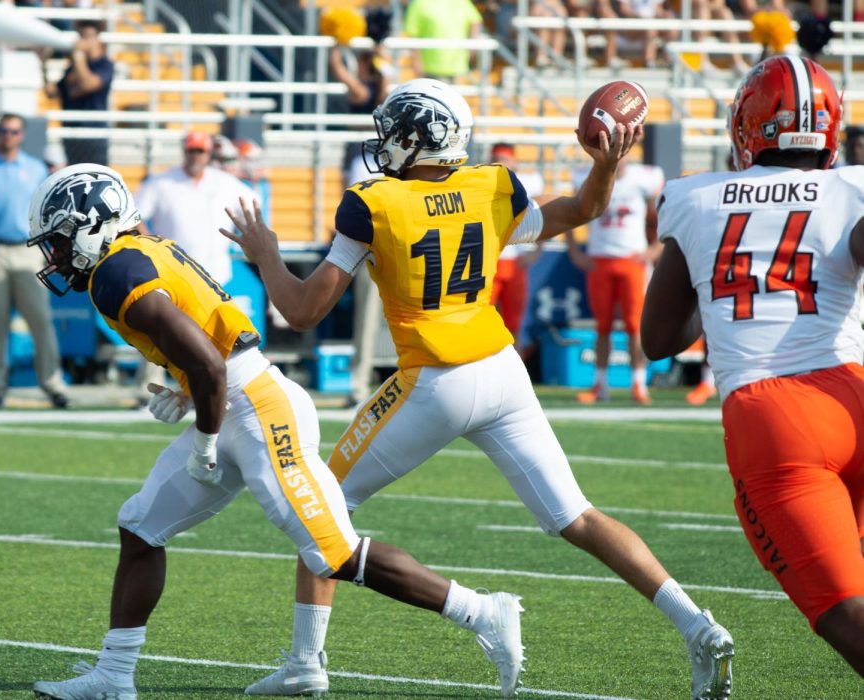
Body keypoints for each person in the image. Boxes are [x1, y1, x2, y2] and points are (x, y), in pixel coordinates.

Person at [222, 78, 734, 700]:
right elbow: (582, 210)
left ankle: (309, 661)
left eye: (394, 132)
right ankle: (697, 624)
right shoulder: (492, 185)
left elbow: (302, 311)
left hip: (433, 381)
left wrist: (265, 254)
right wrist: (607, 166)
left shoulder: (373, 202)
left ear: (419, 137)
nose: (383, 143)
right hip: (502, 372)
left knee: (322, 505)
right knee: (576, 515)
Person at [27, 164, 525, 700]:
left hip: (258, 410)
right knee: (141, 527)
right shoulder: (140, 253)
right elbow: (209, 344)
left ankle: (482, 611)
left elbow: (213, 365)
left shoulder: (114, 273)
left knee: (333, 554)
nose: (53, 256)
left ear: (91, 224)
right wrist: (189, 388)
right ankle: (114, 675)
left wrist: (204, 438)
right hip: (237, 399)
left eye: (57, 239)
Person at [641, 55, 864, 680]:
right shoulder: (851, 189)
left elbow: (659, 339)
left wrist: (718, 286)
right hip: (853, 392)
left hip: (774, 418)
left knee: (844, 612)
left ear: (747, 126)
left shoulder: (695, 197)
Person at [0, 113, 69, 409]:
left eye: (13, 131)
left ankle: (53, 384)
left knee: (40, 320)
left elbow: (50, 211)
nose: (8, 135)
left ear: (21, 135)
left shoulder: (35, 168)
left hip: (28, 249)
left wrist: (57, 247)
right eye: (3, 130)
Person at [564, 148, 664, 405]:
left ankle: (639, 384)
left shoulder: (643, 180)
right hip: (600, 260)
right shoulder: (590, 178)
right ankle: (600, 385)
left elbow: (659, 218)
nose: (620, 159)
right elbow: (571, 213)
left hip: (632, 260)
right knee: (602, 326)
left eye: (624, 154)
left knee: (634, 326)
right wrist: (574, 251)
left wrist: (655, 248)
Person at [135, 131, 257, 288]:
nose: (196, 156)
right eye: (191, 151)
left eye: (200, 151)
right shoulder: (161, 182)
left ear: (208, 154)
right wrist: (152, 247)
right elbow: (135, 215)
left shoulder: (224, 182)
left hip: (216, 275)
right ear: (184, 152)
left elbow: (253, 206)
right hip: (174, 273)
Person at [488, 143, 545, 346]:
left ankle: (515, 373)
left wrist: (537, 250)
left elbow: (543, 213)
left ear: (513, 162)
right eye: (495, 158)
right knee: (483, 321)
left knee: (513, 324)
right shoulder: (483, 184)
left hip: (514, 261)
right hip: (489, 261)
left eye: (503, 159)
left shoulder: (528, 183)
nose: (499, 164)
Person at [42, 20, 114, 166]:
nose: (82, 40)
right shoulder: (72, 68)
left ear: (97, 39)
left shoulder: (104, 65)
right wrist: (42, 65)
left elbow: (87, 84)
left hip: (93, 134)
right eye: (81, 36)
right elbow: (52, 93)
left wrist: (78, 57)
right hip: (71, 134)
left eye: (87, 36)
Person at [329, 44, 390, 188]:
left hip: (358, 147)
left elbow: (338, 69)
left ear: (362, 64)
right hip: (378, 147)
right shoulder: (383, 89)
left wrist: (336, 44)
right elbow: (387, 71)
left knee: (350, 197)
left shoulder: (361, 91)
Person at [404, 0, 483, 82]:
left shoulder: (462, 2)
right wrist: (417, 63)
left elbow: (475, 21)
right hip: (431, 70)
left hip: (458, 69)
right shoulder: (419, 3)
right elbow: (413, 35)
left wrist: (471, 50)